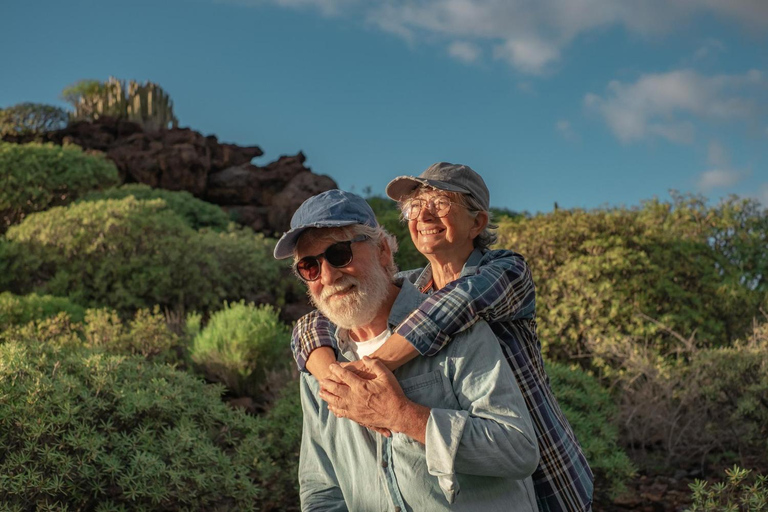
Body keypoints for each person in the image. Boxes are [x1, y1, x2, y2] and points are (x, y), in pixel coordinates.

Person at [291, 163, 594, 511]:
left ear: (477, 222)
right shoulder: (413, 286)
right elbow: (316, 319)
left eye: (441, 203)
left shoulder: (506, 271)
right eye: (415, 207)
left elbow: (452, 307)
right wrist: (331, 376)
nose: (424, 216)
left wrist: (368, 380)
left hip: (549, 473)